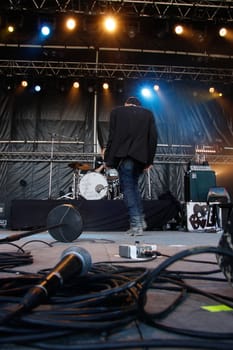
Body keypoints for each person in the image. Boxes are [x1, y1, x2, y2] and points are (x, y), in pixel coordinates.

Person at [104, 96, 158, 236]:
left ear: (126, 104)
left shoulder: (117, 112)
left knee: (128, 188)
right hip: (140, 158)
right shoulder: (148, 114)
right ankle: (140, 219)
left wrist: (108, 160)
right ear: (138, 105)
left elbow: (112, 137)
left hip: (125, 157)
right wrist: (149, 161)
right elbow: (153, 138)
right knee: (133, 187)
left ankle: (136, 224)